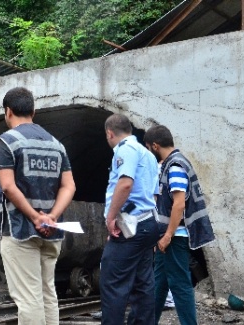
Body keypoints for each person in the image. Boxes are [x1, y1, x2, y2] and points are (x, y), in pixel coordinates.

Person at [0, 87, 76, 324]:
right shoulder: (57, 145)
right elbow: (69, 186)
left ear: (8, 112)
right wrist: (51, 217)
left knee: (28, 298)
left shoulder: (6, 142)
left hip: (19, 230)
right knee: (47, 293)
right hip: (52, 232)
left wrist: (34, 217)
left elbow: (8, 186)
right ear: (34, 111)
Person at [144, 125, 215, 325]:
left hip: (175, 237)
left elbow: (179, 204)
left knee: (180, 284)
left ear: (155, 146)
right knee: (159, 283)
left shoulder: (175, 167)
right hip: (167, 237)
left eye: (149, 148)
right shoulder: (173, 163)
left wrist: (167, 236)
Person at [100, 114, 159, 324]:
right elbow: (153, 194)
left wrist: (111, 218)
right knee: (143, 284)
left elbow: (125, 184)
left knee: (112, 281)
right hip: (147, 223)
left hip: (132, 225)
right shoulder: (148, 155)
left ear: (109, 133)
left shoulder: (125, 149)